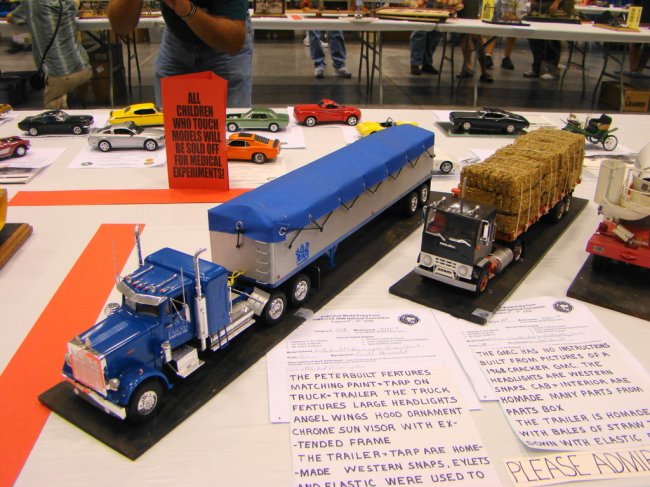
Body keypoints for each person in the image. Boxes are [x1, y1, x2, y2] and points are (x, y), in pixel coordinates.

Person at [108, 0, 253, 108]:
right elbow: (120, 25)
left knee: (231, 126)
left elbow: (233, 42)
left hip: (223, 42)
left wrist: (187, 10)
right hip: (177, 39)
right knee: (171, 127)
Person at [7, 0, 92, 109]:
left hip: (60, 74)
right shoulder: (67, 3)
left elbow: (11, 18)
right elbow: (76, 2)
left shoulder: (32, 3)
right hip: (83, 67)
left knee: (52, 113)